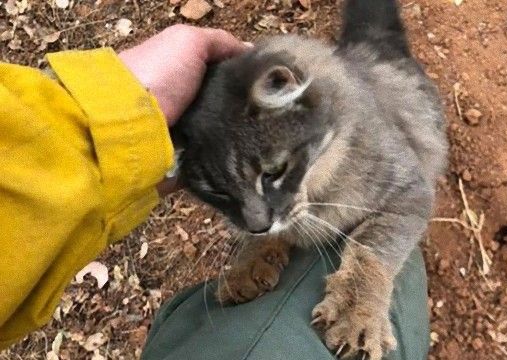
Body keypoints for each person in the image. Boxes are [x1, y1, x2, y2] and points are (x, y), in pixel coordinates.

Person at [0, 25, 429, 359]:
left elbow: (411, 197)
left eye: (273, 172)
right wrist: (125, 121)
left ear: (293, 92)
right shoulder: (243, 175)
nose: (258, 222)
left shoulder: (352, 136)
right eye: (222, 195)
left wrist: (367, 280)